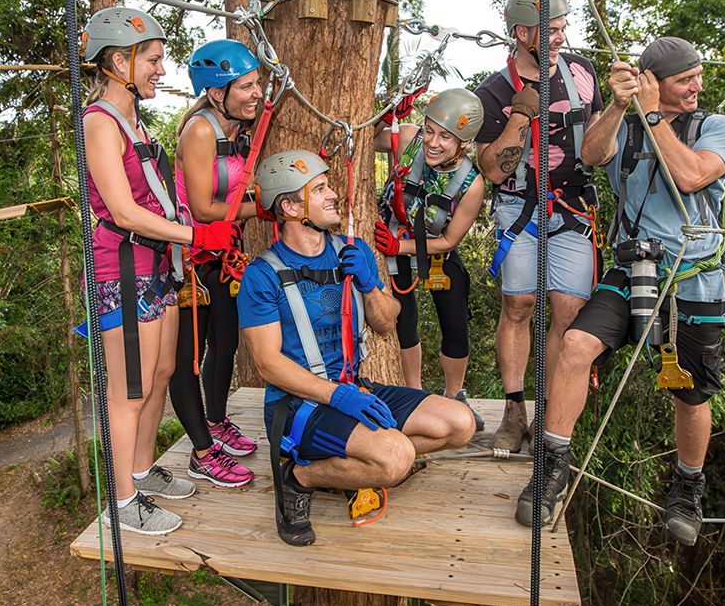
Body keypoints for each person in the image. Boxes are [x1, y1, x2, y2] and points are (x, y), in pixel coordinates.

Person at [515, 36, 725, 548]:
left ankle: (687, 487)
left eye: (698, 76)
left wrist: (654, 114)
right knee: (574, 346)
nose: (697, 87)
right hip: (633, 266)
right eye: (686, 79)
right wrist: (619, 106)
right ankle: (552, 468)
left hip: (692, 277)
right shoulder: (631, 124)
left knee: (690, 393)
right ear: (656, 82)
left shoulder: (718, 127)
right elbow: (591, 154)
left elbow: (690, 177)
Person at [237, 150, 477, 546]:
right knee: (395, 458)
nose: (334, 195)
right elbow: (267, 364)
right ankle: (298, 478)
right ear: (290, 206)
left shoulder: (353, 250)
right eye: (320, 189)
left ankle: (354, 464)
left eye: (329, 185)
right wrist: (337, 396)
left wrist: (368, 283)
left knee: (460, 423)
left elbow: (386, 323)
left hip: (355, 388)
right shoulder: (262, 276)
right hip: (300, 406)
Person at [80, 6, 240, 535]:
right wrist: (197, 235)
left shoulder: (133, 120)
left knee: (163, 374)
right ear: (117, 61)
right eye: (152, 60)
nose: (161, 71)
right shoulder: (99, 123)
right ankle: (123, 503)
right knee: (128, 390)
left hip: (156, 267)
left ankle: (142, 472)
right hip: (121, 272)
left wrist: (187, 236)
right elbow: (123, 211)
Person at [473, 0, 620, 452]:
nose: (559, 38)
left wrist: (617, 106)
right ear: (521, 33)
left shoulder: (582, 74)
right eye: (549, 31)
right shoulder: (495, 91)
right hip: (520, 208)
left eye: (561, 29)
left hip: (572, 208)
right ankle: (514, 410)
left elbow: (596, 148)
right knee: (517, 305)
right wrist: (520, 115)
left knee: (568, 311)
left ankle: (551, 416)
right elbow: (493, 169)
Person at [170, 38, 266, 489]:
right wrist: (265, 206)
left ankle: (215, 421)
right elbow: (205, 208)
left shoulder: (238, 132)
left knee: (225, 344)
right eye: (245, 86)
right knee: (190, 358)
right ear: (215, 93)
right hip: (191, 262)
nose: (257, 92)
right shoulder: (201, 131)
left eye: (258, 83)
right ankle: (201, 453)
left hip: (223, 257)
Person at [372, 88, 488, 428]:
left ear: (463, 143)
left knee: (454, 319)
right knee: (403, 319)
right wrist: (389, 115)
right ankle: (414, 393)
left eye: (445, 137)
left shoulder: (471, 184)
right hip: (393, 237)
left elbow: (450, 239)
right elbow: (368, 139)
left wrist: (400, 247)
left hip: (433, 247)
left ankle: (454, 395)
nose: (433, 142)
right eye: (430, 130)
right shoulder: (409, 139)